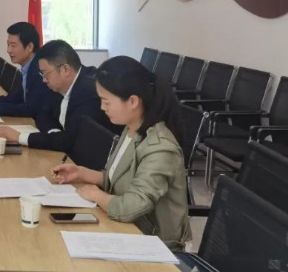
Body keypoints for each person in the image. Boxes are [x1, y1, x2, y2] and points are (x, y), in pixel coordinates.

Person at [51, 56, 191, 251]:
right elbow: (119, 180)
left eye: (106, 102)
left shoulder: (160, 148)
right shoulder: (131, 129)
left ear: (132, 101)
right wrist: (81, 173)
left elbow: (132, 206)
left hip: (155, 245)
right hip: (127, 229)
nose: (102, 108)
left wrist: (97, 196)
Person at [0, 39, 117, 151]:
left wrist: (19, 137)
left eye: (45, 73)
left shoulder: (90, 92)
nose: (44, 80)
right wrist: (54, 134)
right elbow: (42, 114)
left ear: (65, 70)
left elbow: (69, 141)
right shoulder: (57, 86)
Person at [0, 22, 61, 120]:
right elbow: (16, 98)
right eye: (8, 44)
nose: (8, 50)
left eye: (13, 45)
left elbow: (31, 109)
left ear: (29, 47)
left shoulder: (40, 71)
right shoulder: (28, 66)